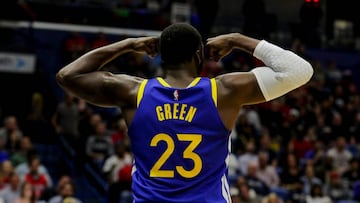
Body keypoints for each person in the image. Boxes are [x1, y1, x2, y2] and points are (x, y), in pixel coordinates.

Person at [56, 23, 313, 202]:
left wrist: (127, 44)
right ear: (199, 54)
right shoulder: (223, 91)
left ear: (161, 56)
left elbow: (68, 75)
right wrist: (237, 40)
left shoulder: (134, 92)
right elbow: (299, 71)